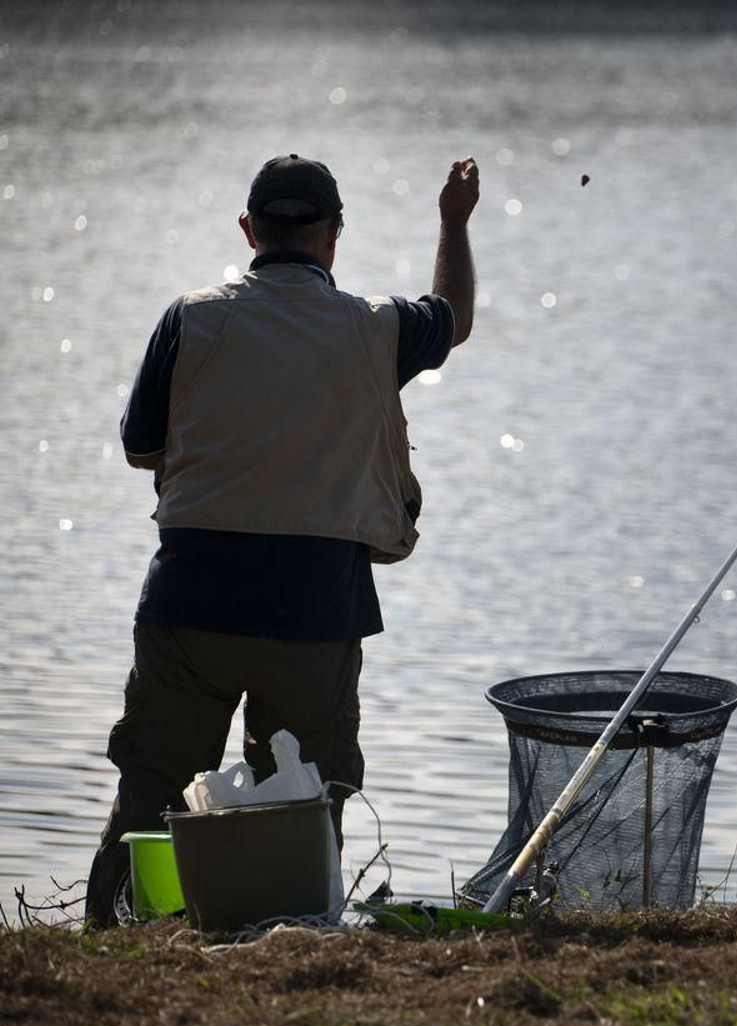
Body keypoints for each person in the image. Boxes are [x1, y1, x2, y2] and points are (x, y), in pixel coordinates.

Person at [84, 154, 480, 927]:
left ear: (248, 230)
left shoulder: (188, 316)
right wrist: (453, 221)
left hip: (188, 598)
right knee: (305, 794)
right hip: (314, 608)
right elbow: (453, 314)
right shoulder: (377, 327)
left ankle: (116, 932)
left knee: (153, 786)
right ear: (334, 235)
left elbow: (140, 446)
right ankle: (291, 936)